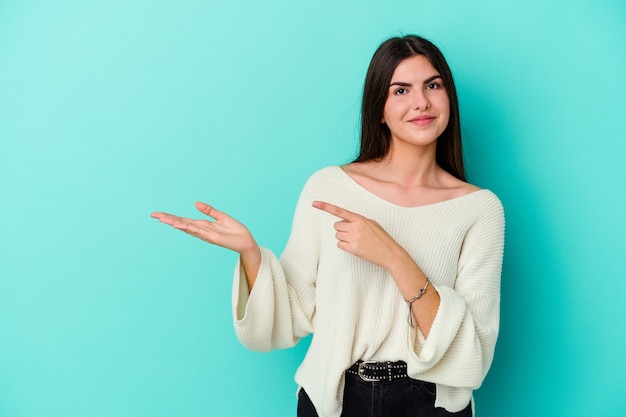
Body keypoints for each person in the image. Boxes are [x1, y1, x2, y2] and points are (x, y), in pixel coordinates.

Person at [151, 35, 505, 417]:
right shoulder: (330, 188)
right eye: (400, 90)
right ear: (379, 111)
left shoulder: (479, 209)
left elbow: (474, 352)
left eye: (432, 85)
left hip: (432, 402)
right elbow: (290, 313)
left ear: (448, 97)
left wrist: (394, 258)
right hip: (334, 398)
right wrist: (251, 254)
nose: (421, 102)